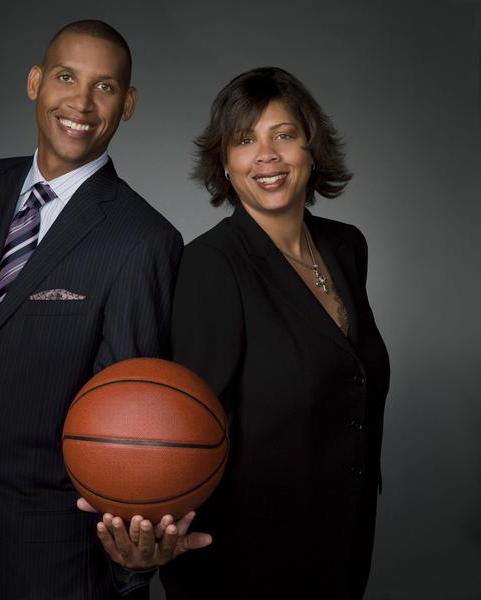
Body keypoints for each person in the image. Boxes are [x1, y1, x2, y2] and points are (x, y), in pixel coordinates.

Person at [0, 20, 186, 600]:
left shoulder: (142, 240)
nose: (81, 102)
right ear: (34, 82)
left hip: (56, 554)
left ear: (128, 105)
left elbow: (131, 426)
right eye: (66, 77)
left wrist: (130, 570)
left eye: (105, 87)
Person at [159, 67, 390, 599]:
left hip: (343, 540)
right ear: (225, 161)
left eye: (282, 135)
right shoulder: (211, 265)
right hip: (247, 558)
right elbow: (191, 432)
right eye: (245, 140)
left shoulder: (347, 247)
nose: (266, 155)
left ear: (310, 146)